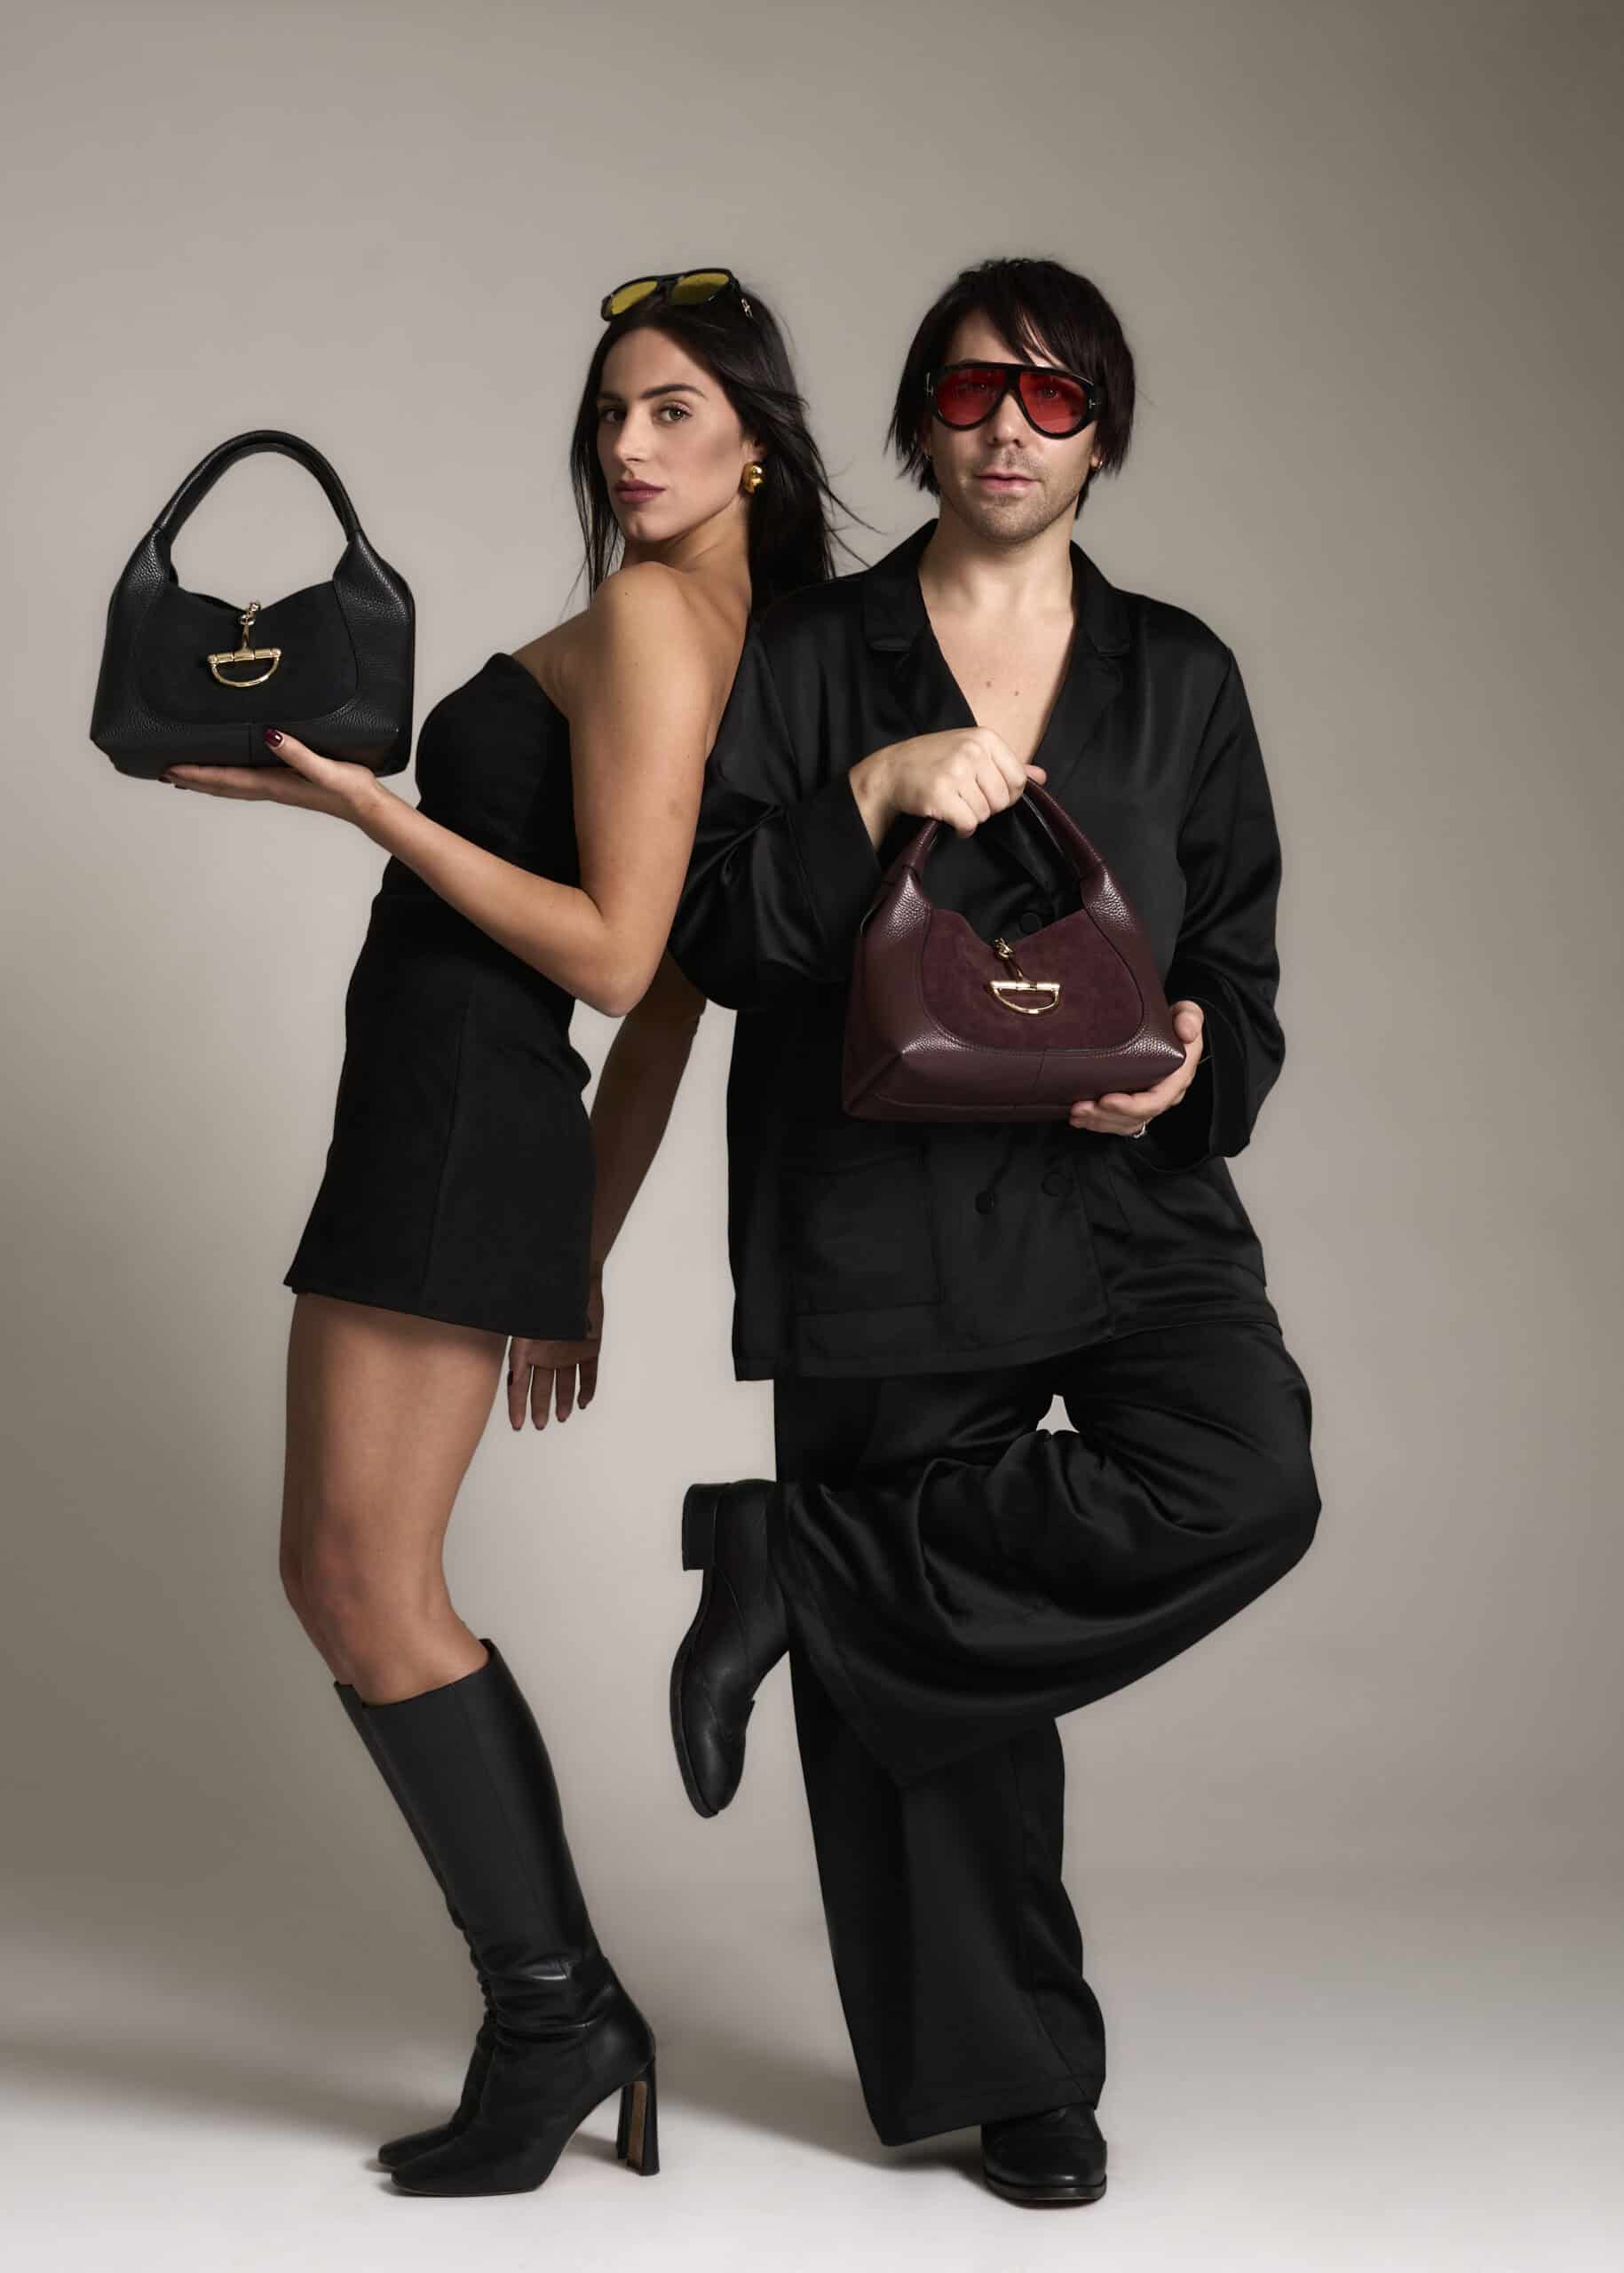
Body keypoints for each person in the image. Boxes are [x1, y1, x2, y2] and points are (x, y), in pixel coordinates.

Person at [161, 267, 849, 2198]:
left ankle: (557, 2014)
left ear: (757, 442)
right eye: (612, 410)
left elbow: (619, 965)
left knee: (355, 1572)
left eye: (674, 410)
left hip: (458, 1106)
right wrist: (577, 1249)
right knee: (348, 1568)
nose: (628, 445)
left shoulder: (652, 622)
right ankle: (554, 2011)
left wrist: (371, 812)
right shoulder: (748, 648)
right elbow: (675, 1004)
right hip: (480, 1124)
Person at [667, 255, 1322, 2208]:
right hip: (883, 1194)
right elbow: (711, 934)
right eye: (970, 393)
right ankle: (1014, 2072)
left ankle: (802, 1560)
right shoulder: (811, 655)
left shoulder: (1178, 676)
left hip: (1126, 1191)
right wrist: (868, 789)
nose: (1010, 430)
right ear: (919, 422)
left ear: (1101, 431)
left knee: (1241, 1476)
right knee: (945, 1685)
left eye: (1052, 397)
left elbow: (1237, 966)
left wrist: (1194, 1062)